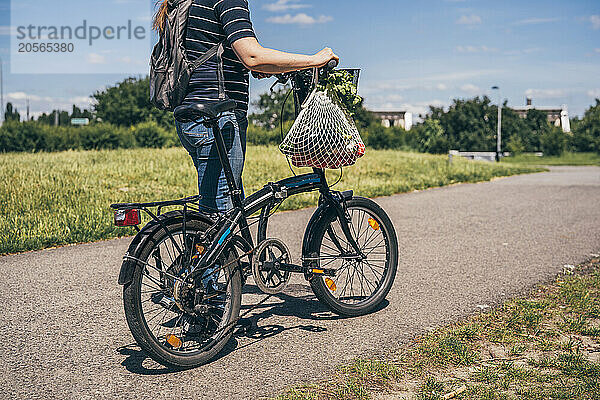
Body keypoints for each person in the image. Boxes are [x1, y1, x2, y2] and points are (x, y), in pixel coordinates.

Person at [153, 0, 339, 212]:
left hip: (192, 116)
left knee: (231, 204)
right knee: (220, 211)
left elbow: (211, 50)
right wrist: (314, 60)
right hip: (218, 117)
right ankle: (204, 244)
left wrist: (258, 65)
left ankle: (232, 245)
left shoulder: (190, 2)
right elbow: (252, 55)